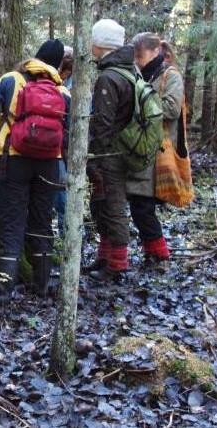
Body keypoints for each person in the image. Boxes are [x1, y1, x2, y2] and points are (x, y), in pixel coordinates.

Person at [0, 40, 69, 303]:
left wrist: (8, 123)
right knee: (42, 221)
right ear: (58, 64)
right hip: (50, 163)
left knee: (12, 221)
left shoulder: (11, 79)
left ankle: (4, 288)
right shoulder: (63, 92)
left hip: (13, 159)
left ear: (36, 57)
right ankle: (42, 284)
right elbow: (70, 131)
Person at [84, 19, 136, 282]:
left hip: (110, 156)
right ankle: (105, 257)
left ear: (100, 43)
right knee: (104, 205)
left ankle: (117, 266)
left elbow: (103, 122)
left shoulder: (109, 77)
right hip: (122, 152)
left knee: (113, 207)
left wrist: (95, 155)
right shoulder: (129, 71)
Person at [126, 32, 184, 268]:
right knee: (140, 206)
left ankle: (159, 254)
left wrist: (142, 99)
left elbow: (172, 109)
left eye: (140, 55)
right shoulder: (142, 74)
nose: (137, 60)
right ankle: (154, 253)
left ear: (155, 51)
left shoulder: (171, 75)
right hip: (141, 148)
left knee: (143, 206)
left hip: (159, 151)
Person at [53, 46, 74, 234]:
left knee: (61, 196)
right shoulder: (64, 91)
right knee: (62, 196)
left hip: (58, 150)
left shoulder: (65, 90)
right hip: (59, 149)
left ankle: (68, 237)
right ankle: (68, 236)